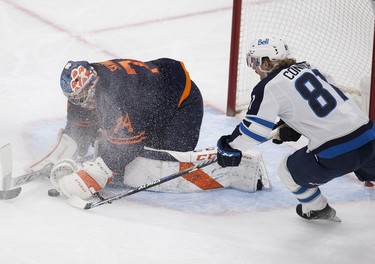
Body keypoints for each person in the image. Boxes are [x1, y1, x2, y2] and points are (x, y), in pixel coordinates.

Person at [28, 58, 270, 200]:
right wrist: (56, 159)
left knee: (160, 164)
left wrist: (94, 174)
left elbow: (129, 146)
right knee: (119, 148)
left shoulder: (118, 93)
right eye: (75, 98)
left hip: (180, 103)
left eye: (83, 97)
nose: (81, 103)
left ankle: (241, 169)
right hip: (150, 103)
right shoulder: (85, 90)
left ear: (95, 83)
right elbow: (78, 129)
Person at [216, 36, 375, 221]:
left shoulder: (268, 86)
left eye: (255, 62)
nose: (253, 68)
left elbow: (254, 131)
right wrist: (292, 126)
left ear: (266, 63)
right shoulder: (310, 67)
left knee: (286, 170)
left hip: (337, 155)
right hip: (370, 138)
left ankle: (318, 208)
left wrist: (230, 146)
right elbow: (330, 101)